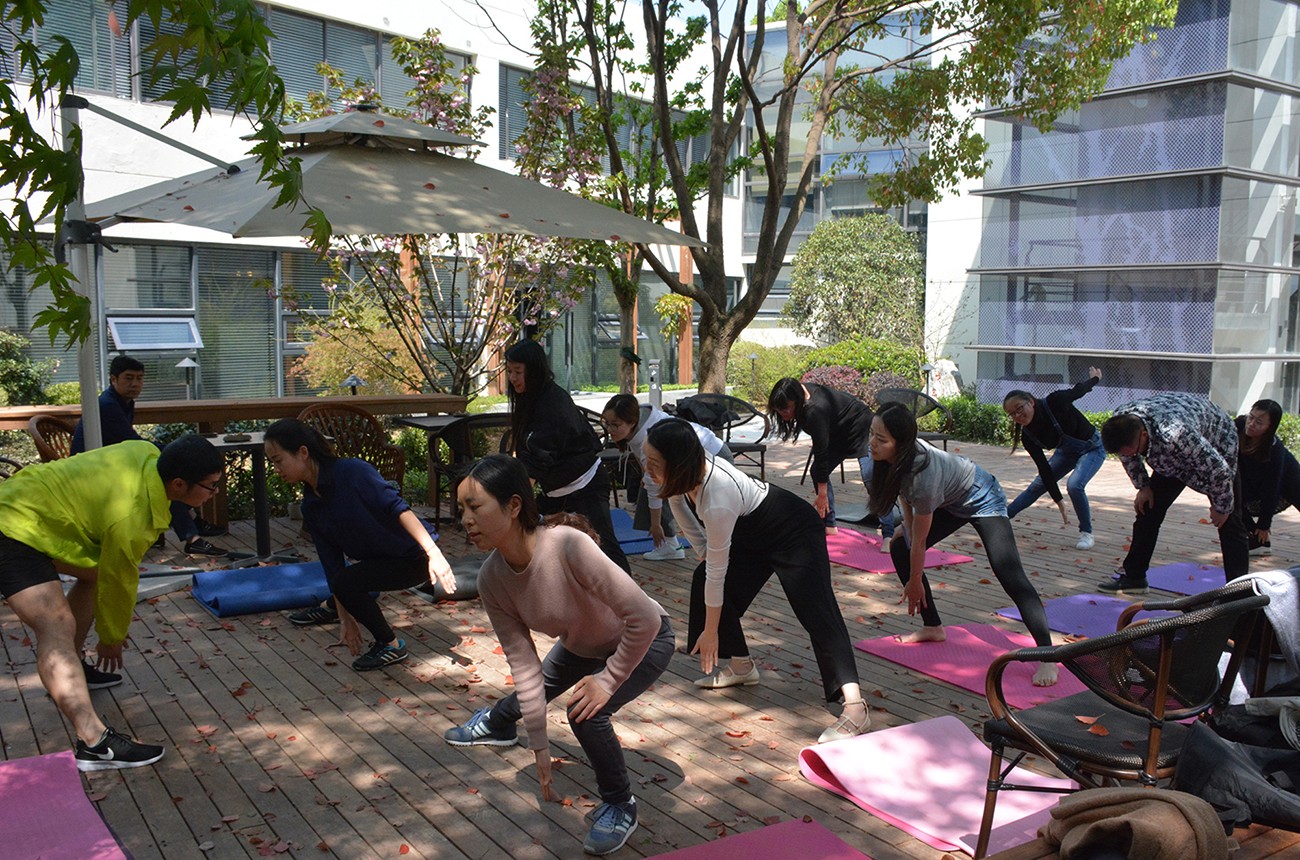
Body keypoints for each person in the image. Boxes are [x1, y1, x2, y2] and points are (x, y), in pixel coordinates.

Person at [443, 455, 673, 856]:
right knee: (534, 690)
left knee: (586, 712)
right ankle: (498, 725)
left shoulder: (567, 545)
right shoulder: (491, 579)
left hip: (645, 638)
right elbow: (524, 667)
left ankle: (621, 805)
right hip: (581, 644)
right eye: (461, 508)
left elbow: (644, 618)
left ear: (514, 506)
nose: (466, 520)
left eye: (475, 507)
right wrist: (541, 748)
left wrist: (608, 680)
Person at [0, 434, 224, 770]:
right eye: (211, 486)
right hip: (12, 527)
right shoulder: (131, 518)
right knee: (56, 626)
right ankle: (94, 743)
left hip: (33, 510)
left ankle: (71, 671)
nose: (214, 492)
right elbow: (120, 581)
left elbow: (107, 572)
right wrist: (111, 638)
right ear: (178, 484)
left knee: (94, 574)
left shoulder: (146, 453)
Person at [644, 418, 872, 743]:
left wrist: (711, 631)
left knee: (817, 613)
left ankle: (856, 707)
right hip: (753, 534)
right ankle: (741, 666)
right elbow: (677, 501)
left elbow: (718, 575)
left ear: (677, 462)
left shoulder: (717, 496)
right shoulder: (688, 471)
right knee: (702, 578)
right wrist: (702, 550)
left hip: (794, 531)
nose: (647, 469)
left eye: (654, 463)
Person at [869, 405, 1059, 686]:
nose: (872, 443)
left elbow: (919, 541)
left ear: (902, 443)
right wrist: (906, 529)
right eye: (872, 434)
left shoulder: (923, 476)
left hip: (983, 497)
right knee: (900, 547)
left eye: (881, 439)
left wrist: (915, 580)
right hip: (950, 500)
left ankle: (1048, 656)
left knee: (1008, 573)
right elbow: (905, 499)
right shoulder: (894, 459)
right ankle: (933, 627)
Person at [263, 419, 457, 671]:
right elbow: (332, 565)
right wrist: (346, 619)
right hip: (379, 560)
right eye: (272, 463)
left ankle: (390, 645)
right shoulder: (311, 505)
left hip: (414, 557)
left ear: (302, 452)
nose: (276, 469)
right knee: (343, 581)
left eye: (278, 460)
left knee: (346, 582)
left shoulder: (352, 472)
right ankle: (334, 609)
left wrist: (434, 553)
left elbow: (398, 508)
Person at [71, 354, 227, 557]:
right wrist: (175, 450)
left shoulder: (123, 402)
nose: (135, 384)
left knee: (169, 473)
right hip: (93, 472)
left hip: (114, 462)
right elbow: (135, 443)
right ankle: (193, 535)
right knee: (166, 477)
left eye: (140, 378)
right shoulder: (108, 405)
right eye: (129, 378)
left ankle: (194, 529)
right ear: (113, 379)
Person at [1097, 392, 1248, 593]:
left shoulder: (1177, 435)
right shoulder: (1121, 424)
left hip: (1217, 438)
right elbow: (1128, 456)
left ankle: (1240, 591)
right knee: (1148, 509)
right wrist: (1143, 486)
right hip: (1171, 444)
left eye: (1132, 451)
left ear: (1143, 435)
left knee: (1230, 521)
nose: (1127, 456)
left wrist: (1222, 507)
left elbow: (1219, 471)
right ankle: (1134, 577)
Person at [503, 339, 629, 573]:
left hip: (586, 484)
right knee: (539, 541)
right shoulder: (528, 397)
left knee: (605, 548)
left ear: (534, 370)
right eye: (509, 371)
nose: (512, 378)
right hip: (556, 490)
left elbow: (537, 460)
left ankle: (629, 594)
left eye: (518, 372)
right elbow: (526, 450)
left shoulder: (552, 403)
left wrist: (515, 503)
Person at [601, 393, 732, 561]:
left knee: (704, 507)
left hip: (713, 458)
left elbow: (654, 488)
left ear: (632, 422)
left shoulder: (648, 435)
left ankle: (716, 549)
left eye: (615, 425)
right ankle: (682, 547)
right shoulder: (639, 421)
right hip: (689, 461)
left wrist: (656, 525)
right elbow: (649, 477)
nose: (609, 429)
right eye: (607, 423)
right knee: (666, 496)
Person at [767, 377, 897, 548]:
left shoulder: (815, 410)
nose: (783, 415)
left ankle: (888, 533)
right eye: (778, 410)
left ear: (797, 400)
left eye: (785, 409)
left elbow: (821, 452)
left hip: (861, 427)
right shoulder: (800, 396)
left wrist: (822, 495)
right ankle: (830, 525)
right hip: (838, 434)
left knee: (870, 477)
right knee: (817, 471)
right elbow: (821, 455)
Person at [1002, 367, 1105, 550]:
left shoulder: (1055, 401)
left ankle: (1086, 533)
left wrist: (1095, 379)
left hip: (1093, 448)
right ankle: (1001, 518)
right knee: (1036, 486)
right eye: (1012, 414)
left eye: (1019, 408)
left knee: (1075, 485)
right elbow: (1045, 470)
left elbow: (1078, 391)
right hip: (1066, 453)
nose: (1018, 416)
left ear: (1031, 402)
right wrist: (1059, 501)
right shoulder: (1028, 436)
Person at [1235, 399, 1300, 557]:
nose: (1251, 424)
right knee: (1229, 497)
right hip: (1253, 485)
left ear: (1270, 427)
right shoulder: (1239, 426)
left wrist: (1264, 524)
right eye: (1251, 417)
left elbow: (1272, 488)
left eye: (1259, 422)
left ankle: (1261, 536)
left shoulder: (1274, 450)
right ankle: (1258, 542)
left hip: (1290, 482)